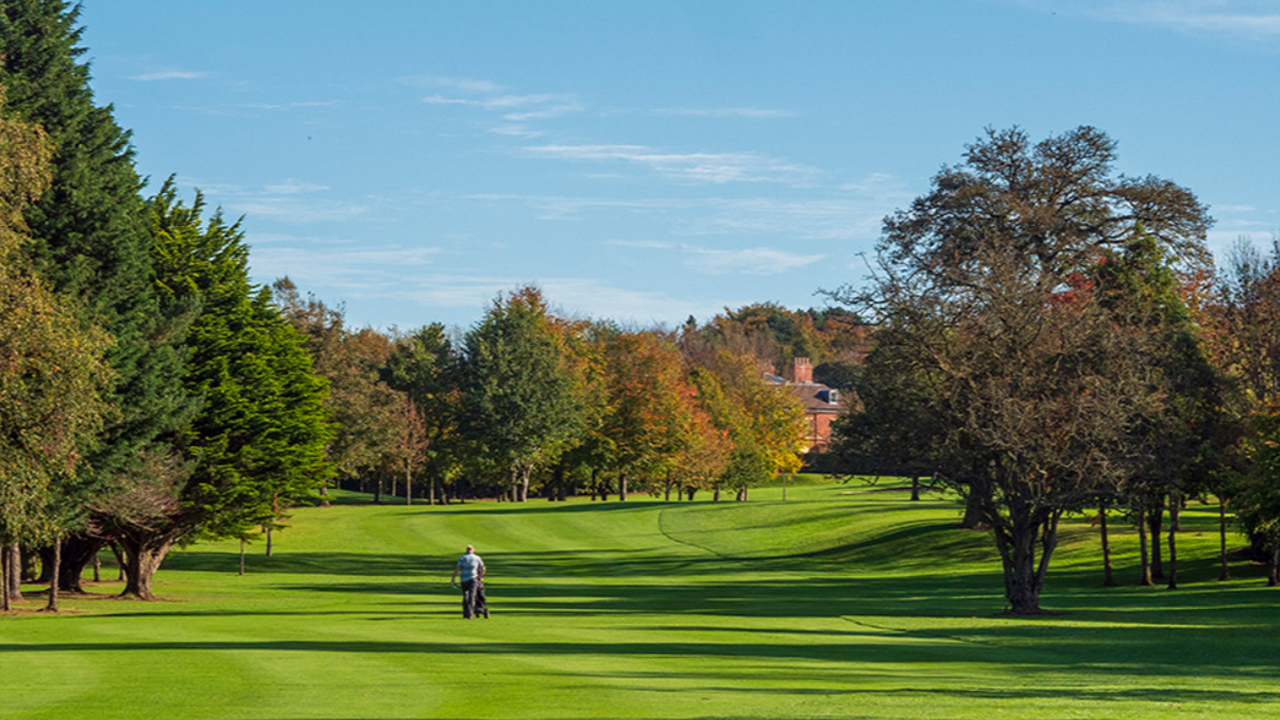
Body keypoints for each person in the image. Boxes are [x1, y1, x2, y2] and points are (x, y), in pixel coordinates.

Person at [450, 544, 488, 619]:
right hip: (473, 579)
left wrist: (453, 578)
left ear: (466, 550)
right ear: (473, 550)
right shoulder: (477, 558)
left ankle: (465, 613)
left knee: (465, 596)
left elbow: (457, 568)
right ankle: (470, 615)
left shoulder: (463, 558)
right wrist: (480, 577)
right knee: (472, 596)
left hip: (463, 579)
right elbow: (483, 569)